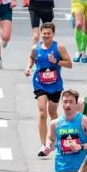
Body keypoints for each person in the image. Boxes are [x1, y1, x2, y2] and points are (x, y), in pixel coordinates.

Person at [24, 22, 73, 156]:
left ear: (53, 34)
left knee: (53, 113)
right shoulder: (36, 48)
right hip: (40, 83)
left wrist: (56, 61)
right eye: (44, 33)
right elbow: (31, 57)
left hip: (55, 85)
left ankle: (54, 139)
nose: (46, 36)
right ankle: (44, 144)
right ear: (41, 34)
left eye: (49, 34)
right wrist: (28, 67)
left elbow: (69, 64)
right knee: (42, 113)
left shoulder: (59, 47)